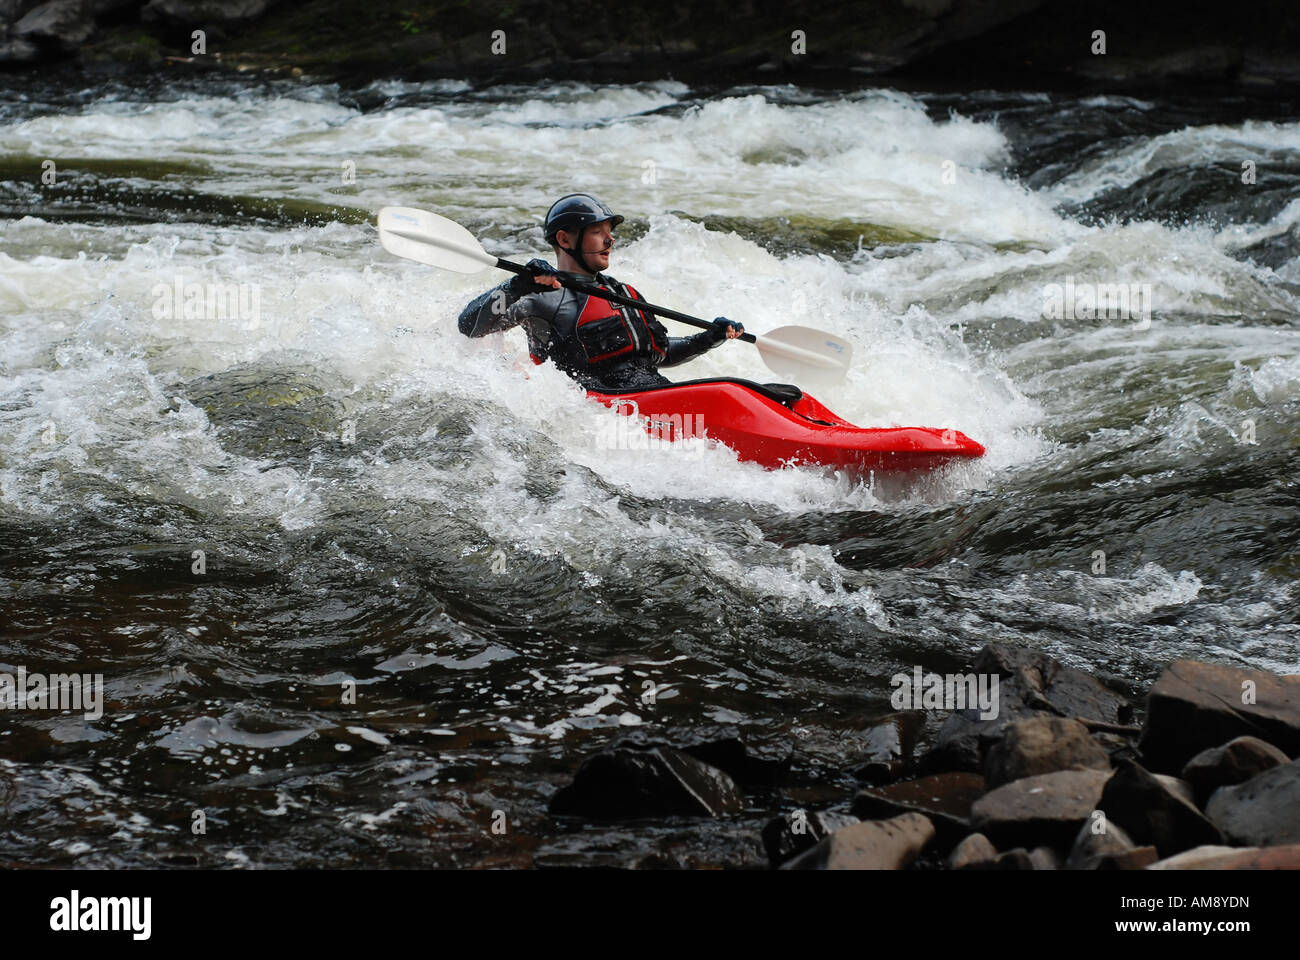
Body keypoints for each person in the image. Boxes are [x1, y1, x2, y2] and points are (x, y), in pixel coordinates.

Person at [457, 194, 743, 391]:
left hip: (654, 394)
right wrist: (515, 286)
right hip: (597, 407)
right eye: (597, 231)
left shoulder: (624, 292)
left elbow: (661, 354)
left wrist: (709, 338)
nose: (610, 238)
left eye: (609, 231)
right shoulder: (541, 298)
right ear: (564, 239)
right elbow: (470, 325)